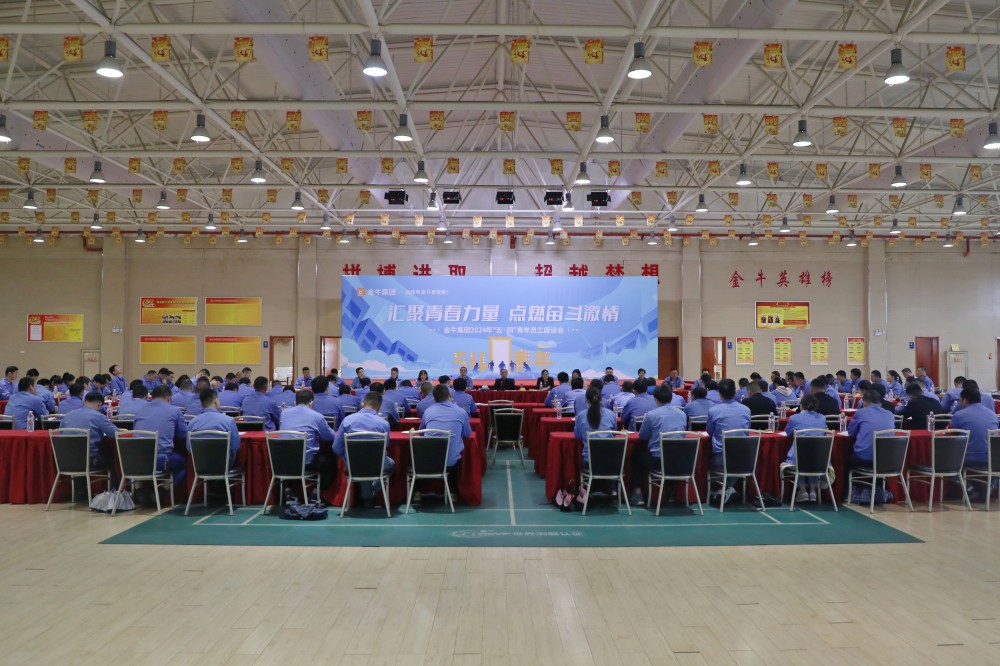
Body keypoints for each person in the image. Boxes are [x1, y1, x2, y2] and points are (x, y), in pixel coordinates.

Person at [332, 391, 394, 505]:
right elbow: (386, 446)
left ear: (362, 404)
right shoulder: (384, 424)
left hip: (353, 465)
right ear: (379, 407)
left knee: (361, 464)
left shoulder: (348, 420)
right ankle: (370, 494)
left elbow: (336, 447)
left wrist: (348, 456)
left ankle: (367, 495)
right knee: (389, 464)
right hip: (376, 464)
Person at [630, 384, 686, 506]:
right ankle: (670, 493)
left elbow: (643, 437)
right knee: (670, 455)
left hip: (657, 460)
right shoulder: (682, 415)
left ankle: (638, 494)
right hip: (679, 460)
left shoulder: (651, 415)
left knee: (635, 456)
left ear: (655, 399)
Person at [278, 389, 339, 493]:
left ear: (295, 402)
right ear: (311, 403)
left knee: (292, 458)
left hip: (284, 462)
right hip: (306, 462)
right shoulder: (316, 416)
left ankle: (288, 492)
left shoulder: (284, 413)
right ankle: (315, 494)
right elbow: (331, 436)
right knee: (329, 462)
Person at [419, 384, 472, 493]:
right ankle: (454, 492)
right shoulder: (461, 412)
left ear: (434, 398)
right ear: (449, 395)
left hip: (428, 461)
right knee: (454, 454)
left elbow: (421, 433)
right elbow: (467, 434)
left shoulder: (428, 411)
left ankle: (418, 491)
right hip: (451, 462)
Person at [706, 379, 752, 505]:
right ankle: (728, 488)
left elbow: (709, 432)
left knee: (707, 461)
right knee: (734, 461)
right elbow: (746, 430)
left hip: (722, 459)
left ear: (720, 394)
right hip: (744, 459)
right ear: (735, 392)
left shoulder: (714, 411)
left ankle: (724, 489)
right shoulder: (746, 410)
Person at [133, 385, 189, 488]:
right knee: (184, 464)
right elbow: (183, 434)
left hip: (137, 460)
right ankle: (163, 490)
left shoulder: (140, 410)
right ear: (169, 398)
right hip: (161, 460)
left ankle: (139, 491)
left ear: (152, 397)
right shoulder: (174, 410)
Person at [951, 387, 1000, 501]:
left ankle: (970, 489)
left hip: (968, 457)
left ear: (964, 400)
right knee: (997, 468)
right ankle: (991, 487)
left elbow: (951, 435)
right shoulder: (992, 414)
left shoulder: (959, 415)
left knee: (948, 465)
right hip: (993, 458)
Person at [783, 394, 828, 503]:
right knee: (812, 455)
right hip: (819, 461)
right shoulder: (822, 418)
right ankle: (812, 490)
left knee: (800, 457)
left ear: (801, 405)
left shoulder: (794, 418)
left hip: (798, 461)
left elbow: (788, 433)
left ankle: (803, 490)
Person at [61, 390, 119, 469]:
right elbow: (116, 434)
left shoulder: (68, 415)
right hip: (89, 460)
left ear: (84, 402)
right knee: (113, 457)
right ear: (99, 405)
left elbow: (61, 434)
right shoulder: (99, 416)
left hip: (65, 459)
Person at [187, 389, 242, 466]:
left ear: (201, 404)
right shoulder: (229, 421)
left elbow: (189, 448)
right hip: (224, 465)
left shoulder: (192, 423)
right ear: (216, 401)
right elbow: (235, 446)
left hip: (201, 466)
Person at [846, 389, 895, 476]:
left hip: (864, 458)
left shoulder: (861, 412)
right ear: (880, 404)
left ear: (864, 404)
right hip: (886, 459)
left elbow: (851, 433)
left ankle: (852, 484)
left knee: (846, 456)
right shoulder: (890, 414)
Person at [573, 386, 618, 465]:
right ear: (601, 400)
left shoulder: (581, 415)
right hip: (611, 460)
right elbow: (614, 433)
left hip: (589, 460)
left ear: (586, 401)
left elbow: (578, 436)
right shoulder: (611, 414)